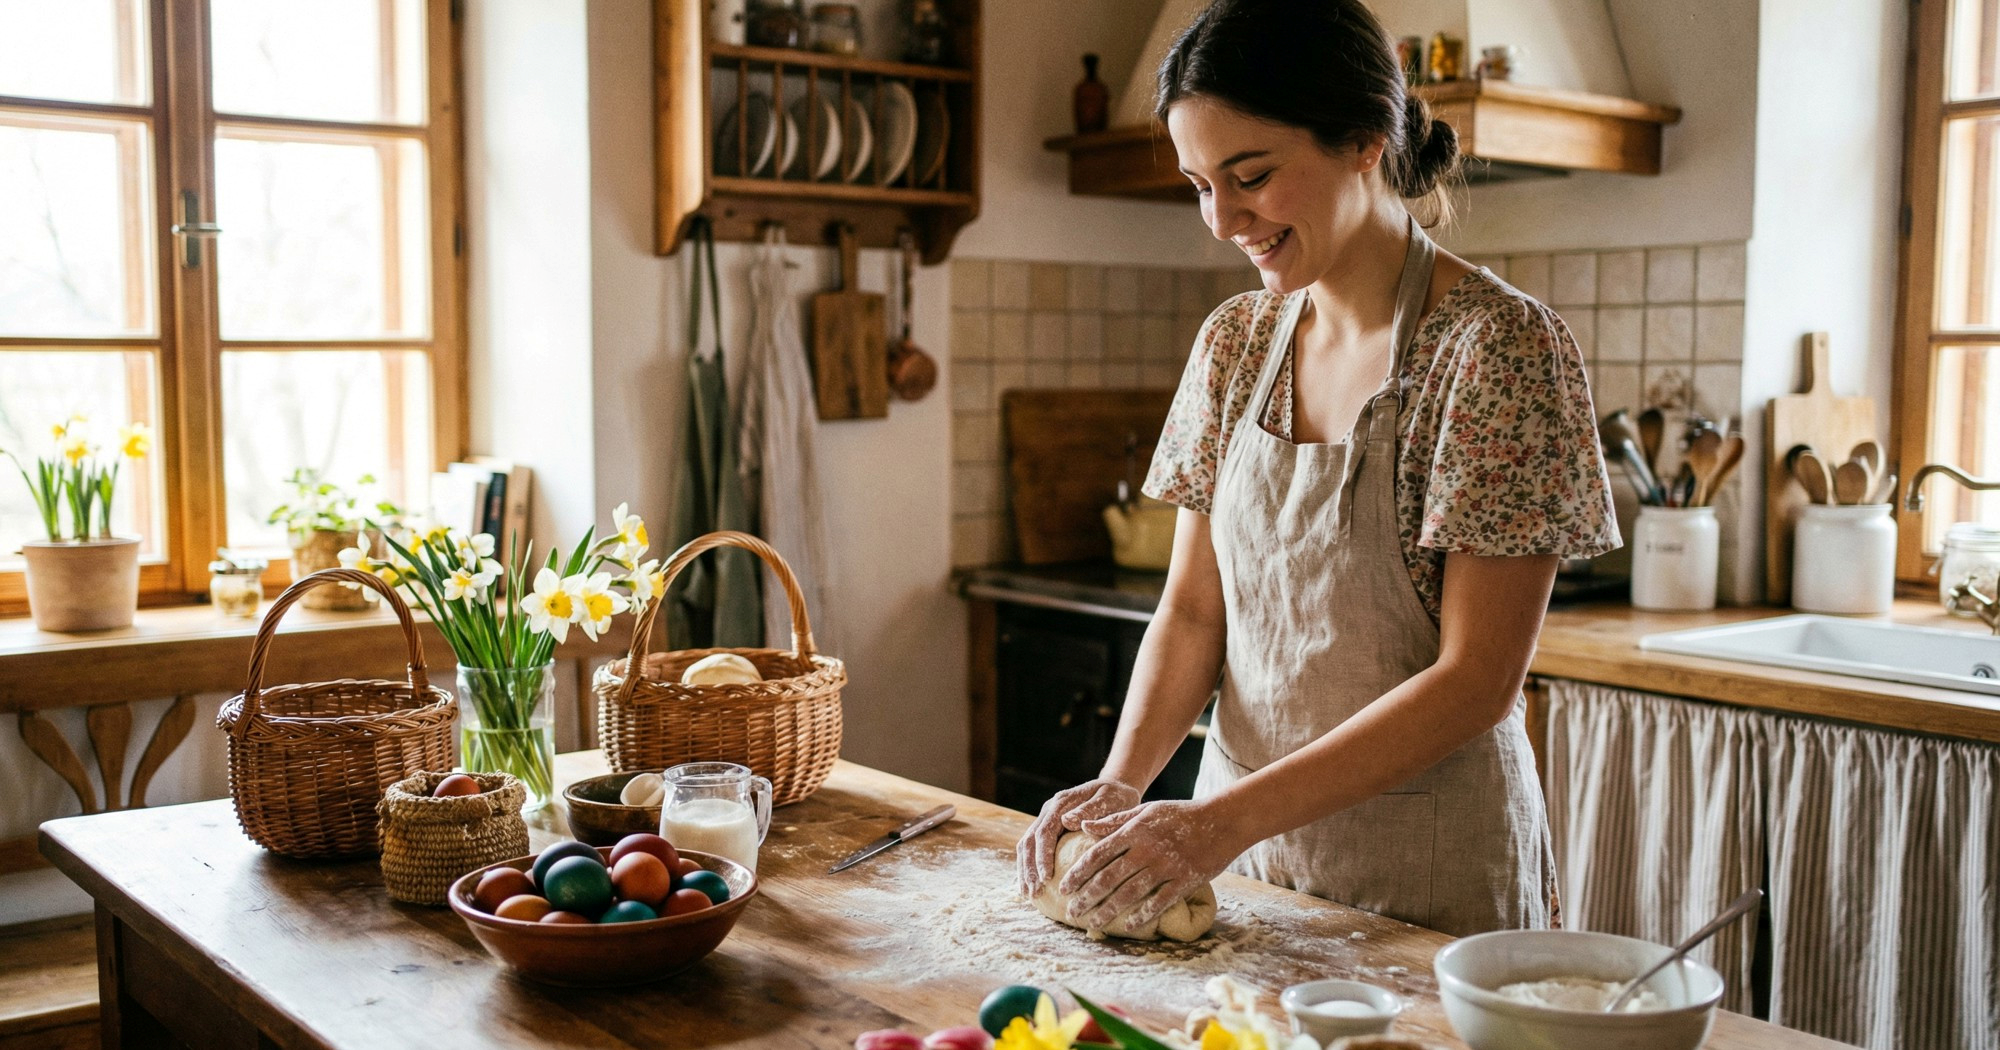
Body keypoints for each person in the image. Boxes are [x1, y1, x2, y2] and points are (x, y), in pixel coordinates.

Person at [1015, 0, 1620, 938]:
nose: (1222, 220)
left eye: (1250, 175)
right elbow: (1192, 609)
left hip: (1428, 879)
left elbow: (1477, 680)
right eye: (1198, 185)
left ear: (1366, 141)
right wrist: (1121, 783)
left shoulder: (1495, 350)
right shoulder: (1234, 343)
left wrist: (1212, 826)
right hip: (1240, 863)